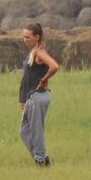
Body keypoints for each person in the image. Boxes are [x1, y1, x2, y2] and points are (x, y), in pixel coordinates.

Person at [18, 23, 59, 167]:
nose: (25, 40)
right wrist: (22, 100)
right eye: (23, 37)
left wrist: (44, 79)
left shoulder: (39, 52)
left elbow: (54, 66)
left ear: (37, 37)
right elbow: (27, 77)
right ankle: (41, 157)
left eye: (28, 37)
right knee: (24, 131)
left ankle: (41, 160)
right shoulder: (33, 52)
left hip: (38, 96)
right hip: (33, 97)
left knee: (36, 130)